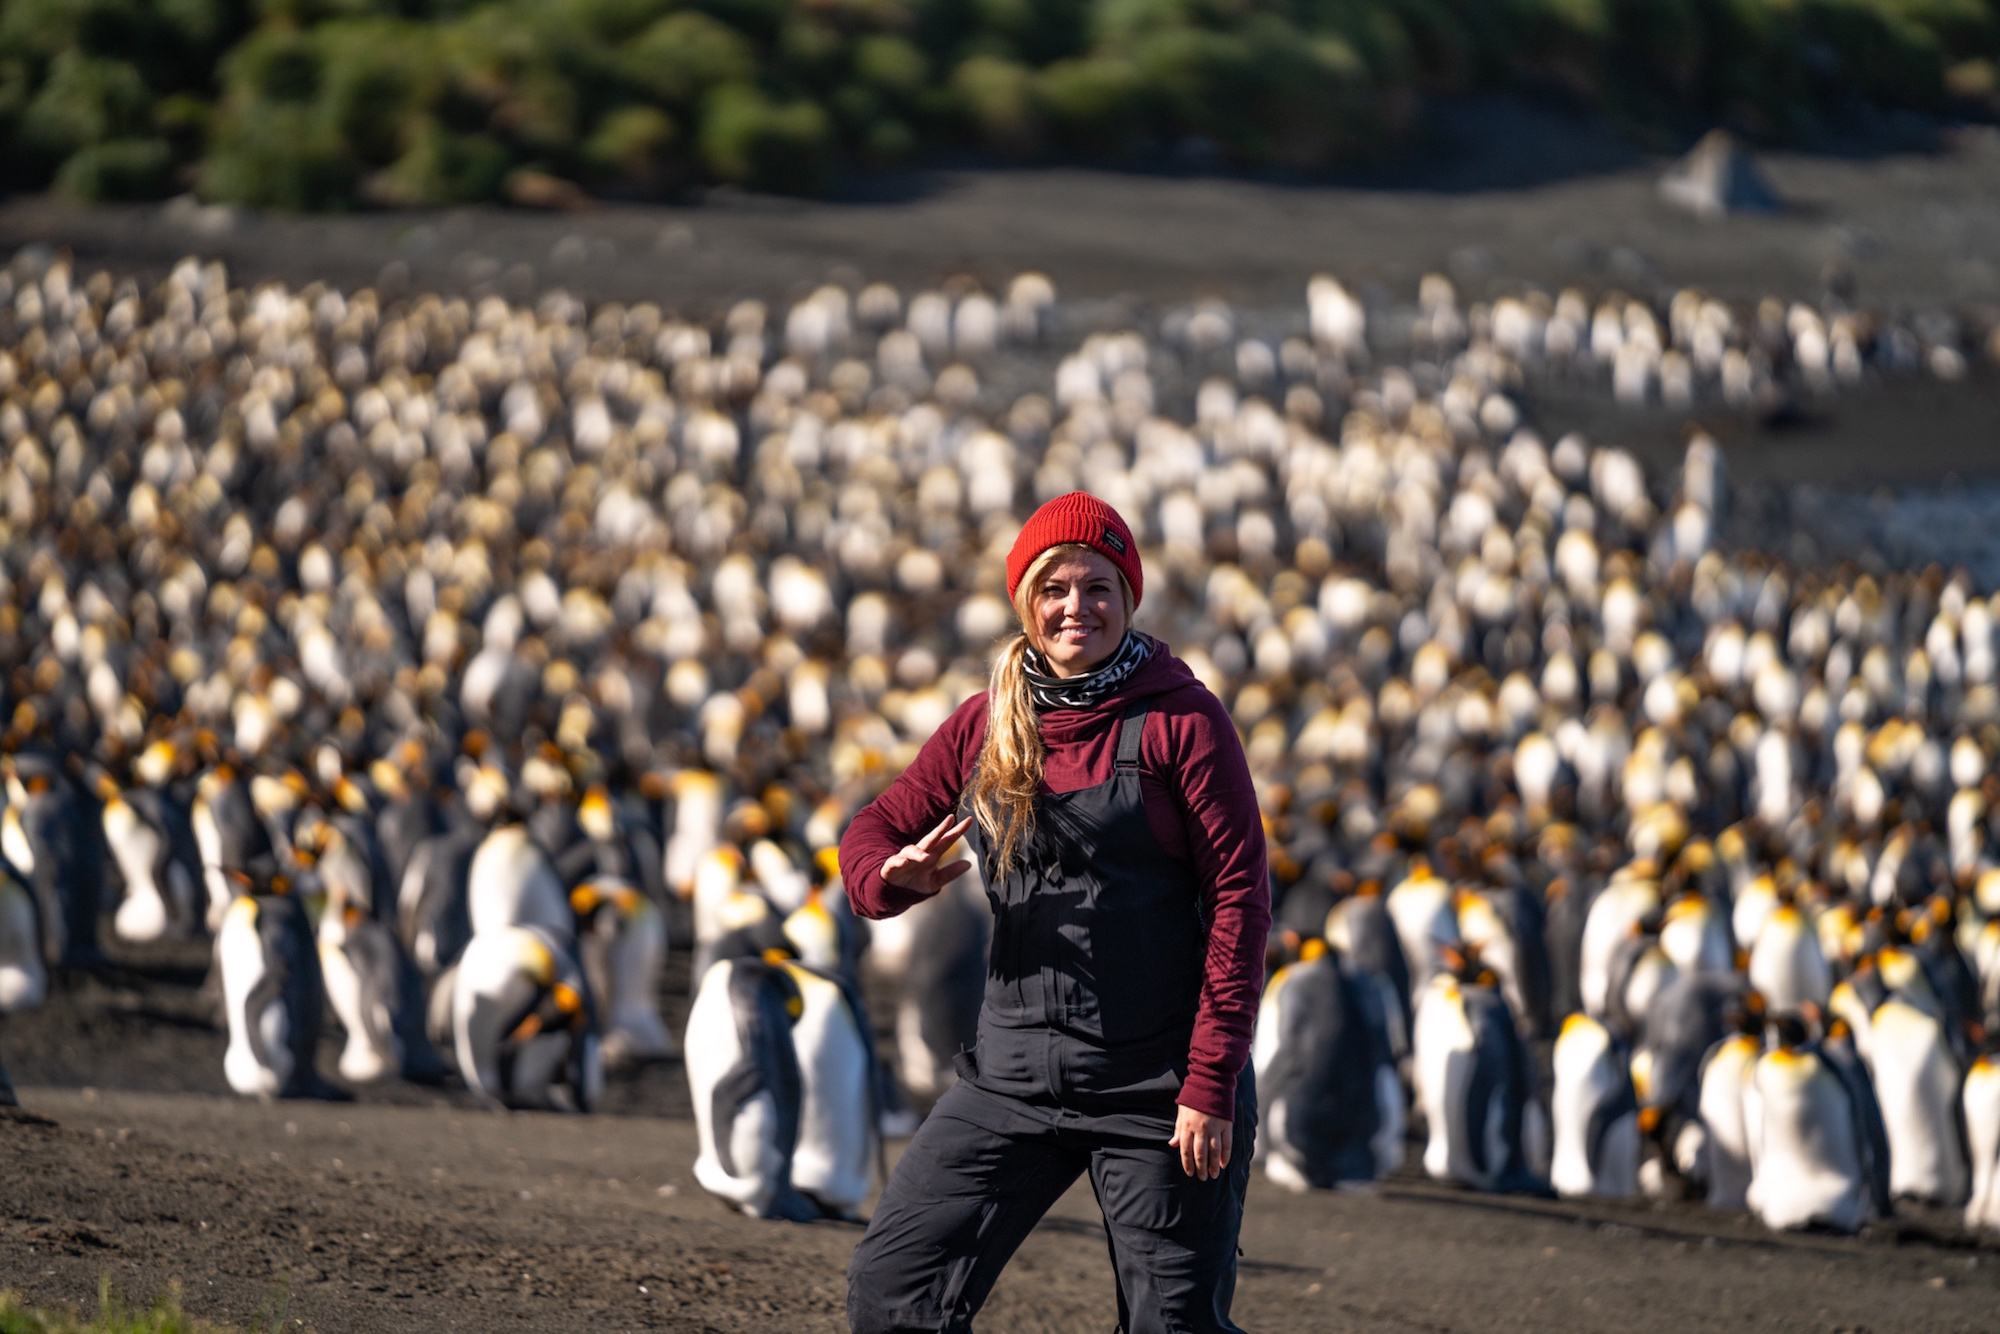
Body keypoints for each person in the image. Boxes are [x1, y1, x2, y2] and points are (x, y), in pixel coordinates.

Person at [840, 492, 1271, 1333]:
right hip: (1013, 1078)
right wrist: (891, 881)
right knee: (893, 1291)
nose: (1079, 607)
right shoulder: (986, 722)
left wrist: (1211, 1082)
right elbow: (872, 830)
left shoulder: (1183, 720)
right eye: (1056, 588)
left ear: (1129, 595)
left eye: (1100, 586)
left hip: (1159, 1084)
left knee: (1171, 1325)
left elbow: (1240, 899)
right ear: (1027, 602)